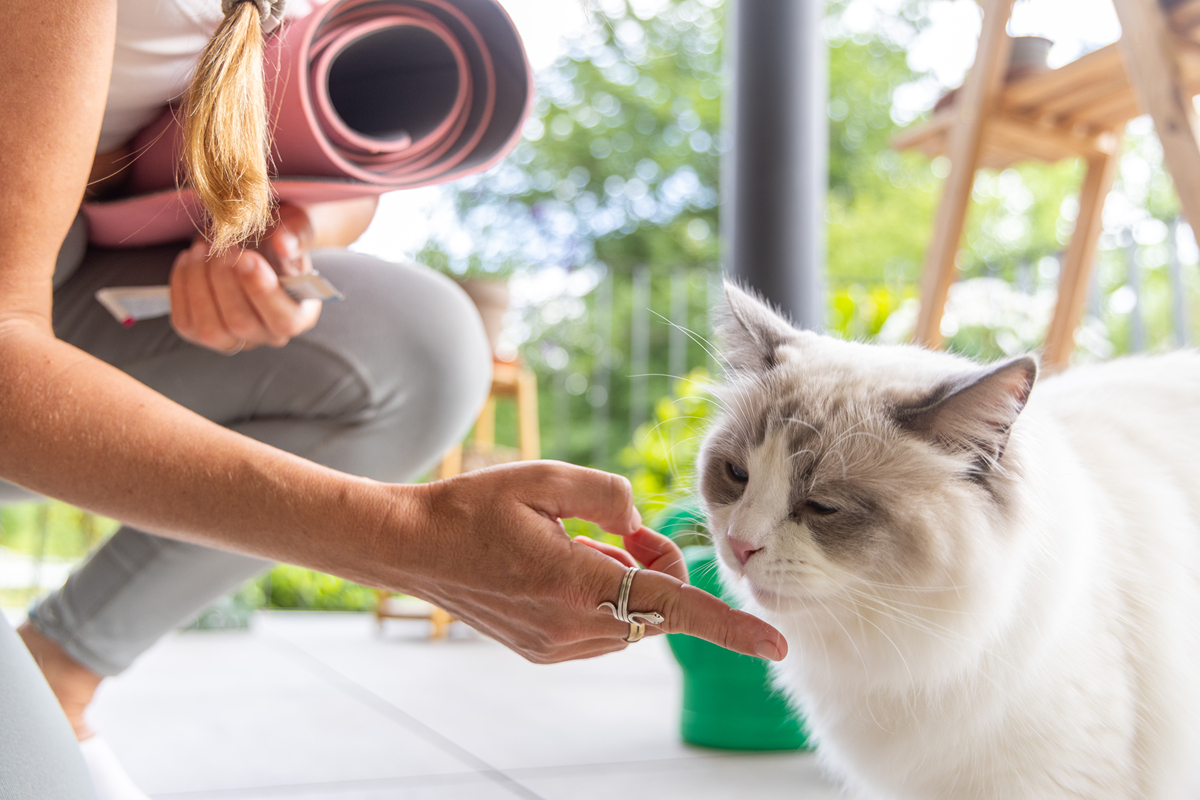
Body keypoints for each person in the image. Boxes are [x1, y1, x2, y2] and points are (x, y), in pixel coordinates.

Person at [0, 0, 787, 797]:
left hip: (92, 272)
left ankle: (59, 671)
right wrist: (408, 538)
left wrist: (277, 230)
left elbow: (352, 186)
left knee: (426, 348)